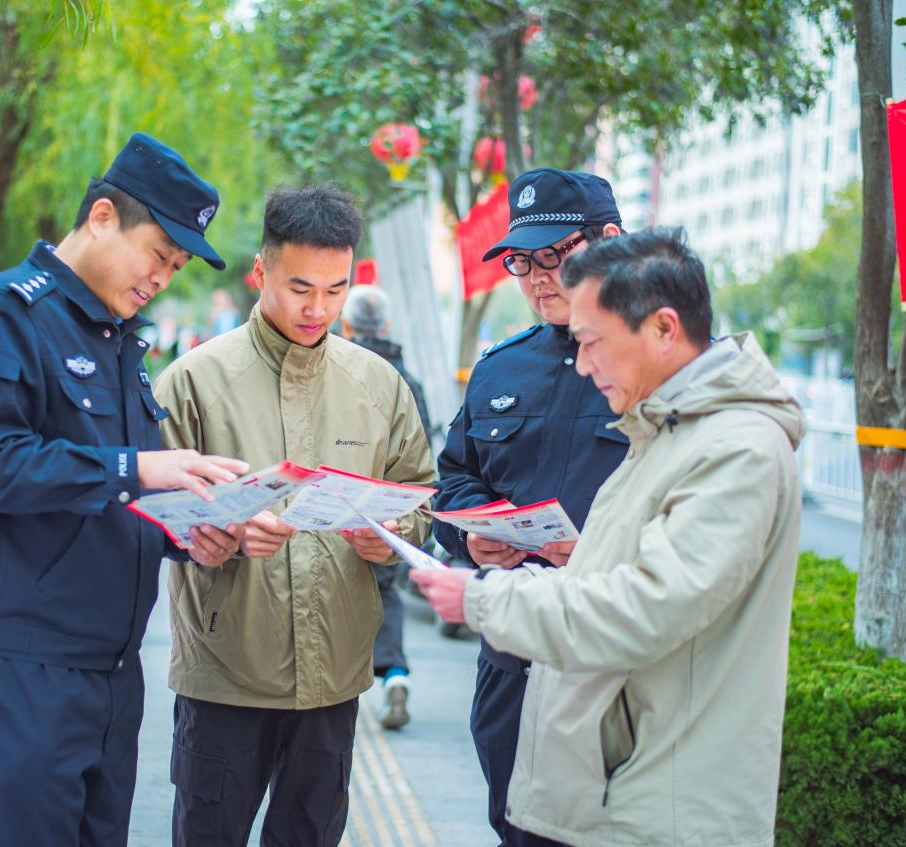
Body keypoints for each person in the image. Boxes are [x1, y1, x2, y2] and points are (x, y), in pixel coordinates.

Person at [413, 228, 804, 847]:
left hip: (662, 798)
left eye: (593, 342)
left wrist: (484, 598)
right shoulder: (662, 428)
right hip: (614, 780)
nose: (584, 363)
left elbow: (647, 607)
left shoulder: (737, 450)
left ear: (663, 329)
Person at [0, 132, 249, 847]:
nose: (162, 278)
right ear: (102, 215)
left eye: (174, 267)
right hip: (24, 663)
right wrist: (135, 468)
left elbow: (116, 496)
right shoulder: (5, 315)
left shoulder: (118, 338)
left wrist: (190, 533)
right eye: (158, 255)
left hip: (108, 670)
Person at [154, 185, 435, 846]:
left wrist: (391, 536)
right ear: (261, 271)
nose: (318, 309)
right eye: (300, 287)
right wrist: (211, 530)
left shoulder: (379, 384)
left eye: (335, 290)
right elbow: (149, 514)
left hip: (334, 673)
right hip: (226, 669)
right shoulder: (192, 380)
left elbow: (420, 492)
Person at [427, 167, 628, 847]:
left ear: (612, 241)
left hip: (612, 671)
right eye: (522, 260)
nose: (539, 277)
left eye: (557, 255)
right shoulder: (500, 368)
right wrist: (473, 538)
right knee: (513, 826)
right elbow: (454, 479)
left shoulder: (655, 369)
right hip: (512, 661)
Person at [339, 284, 431, 729]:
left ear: (347, 324)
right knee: (386, 590)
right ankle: (395, 672)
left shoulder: (335, 371)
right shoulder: (407, 378)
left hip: (337, 505)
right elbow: (425, 449)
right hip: (390, 508)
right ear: (387, 326)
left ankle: (337, 685)